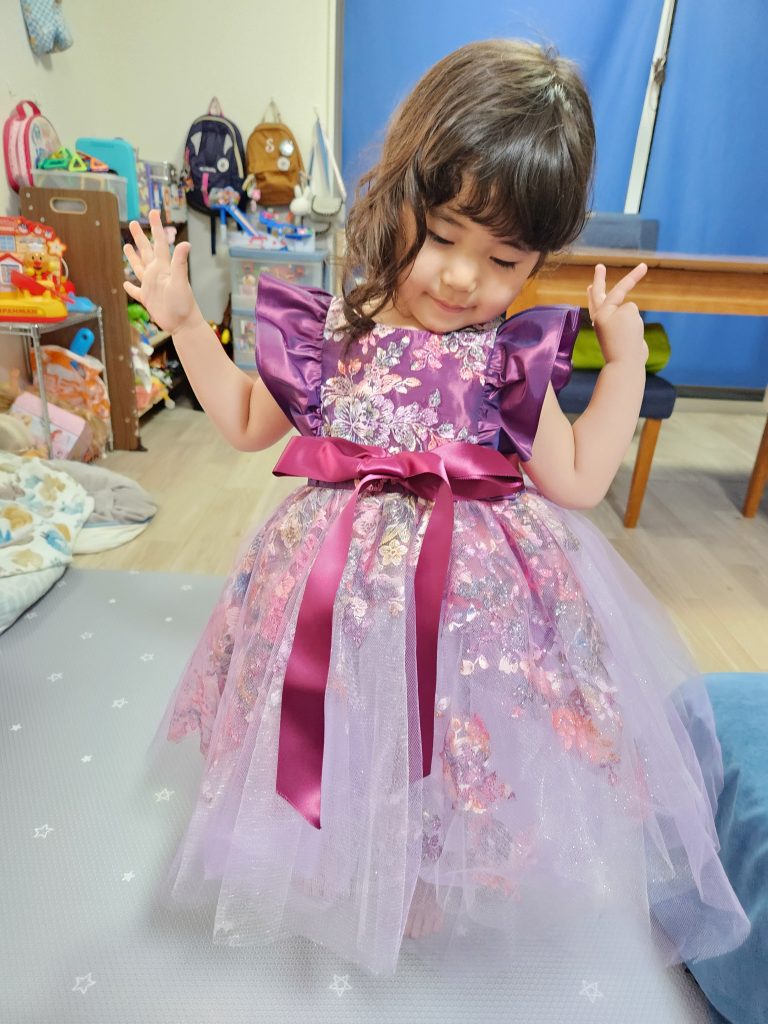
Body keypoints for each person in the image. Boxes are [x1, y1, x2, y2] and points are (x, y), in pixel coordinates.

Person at [126, 39, 749, 980]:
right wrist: (181, 323)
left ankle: (424, 862)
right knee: (351, 712)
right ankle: (345, 841)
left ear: (537, 259)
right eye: (444, 235)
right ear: (401, 196)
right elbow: (249, 423)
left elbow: (579, 478)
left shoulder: (507, 358)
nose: (463, 279)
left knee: (451, 725)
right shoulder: (335, 325)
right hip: (339, 584)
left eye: (504, 259)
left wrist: (624, 362)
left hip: (473, 600)